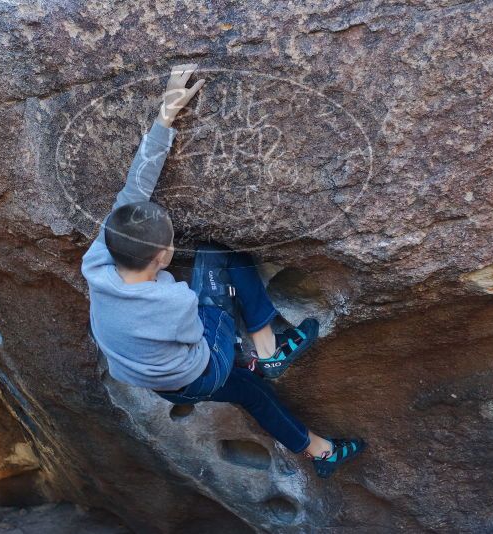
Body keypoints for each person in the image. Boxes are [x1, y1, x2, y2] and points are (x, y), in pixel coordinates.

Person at [81, 64, 365, 478]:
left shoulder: (97, 261)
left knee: (252, 393)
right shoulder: (173, 300)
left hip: (158, 382)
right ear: (164, 256)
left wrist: (166, 115)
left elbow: (133, 191)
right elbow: (201, 332)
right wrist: (232, 347)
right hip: (199, 364)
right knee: (219, 253)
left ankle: (321, 452)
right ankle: (266, 350)